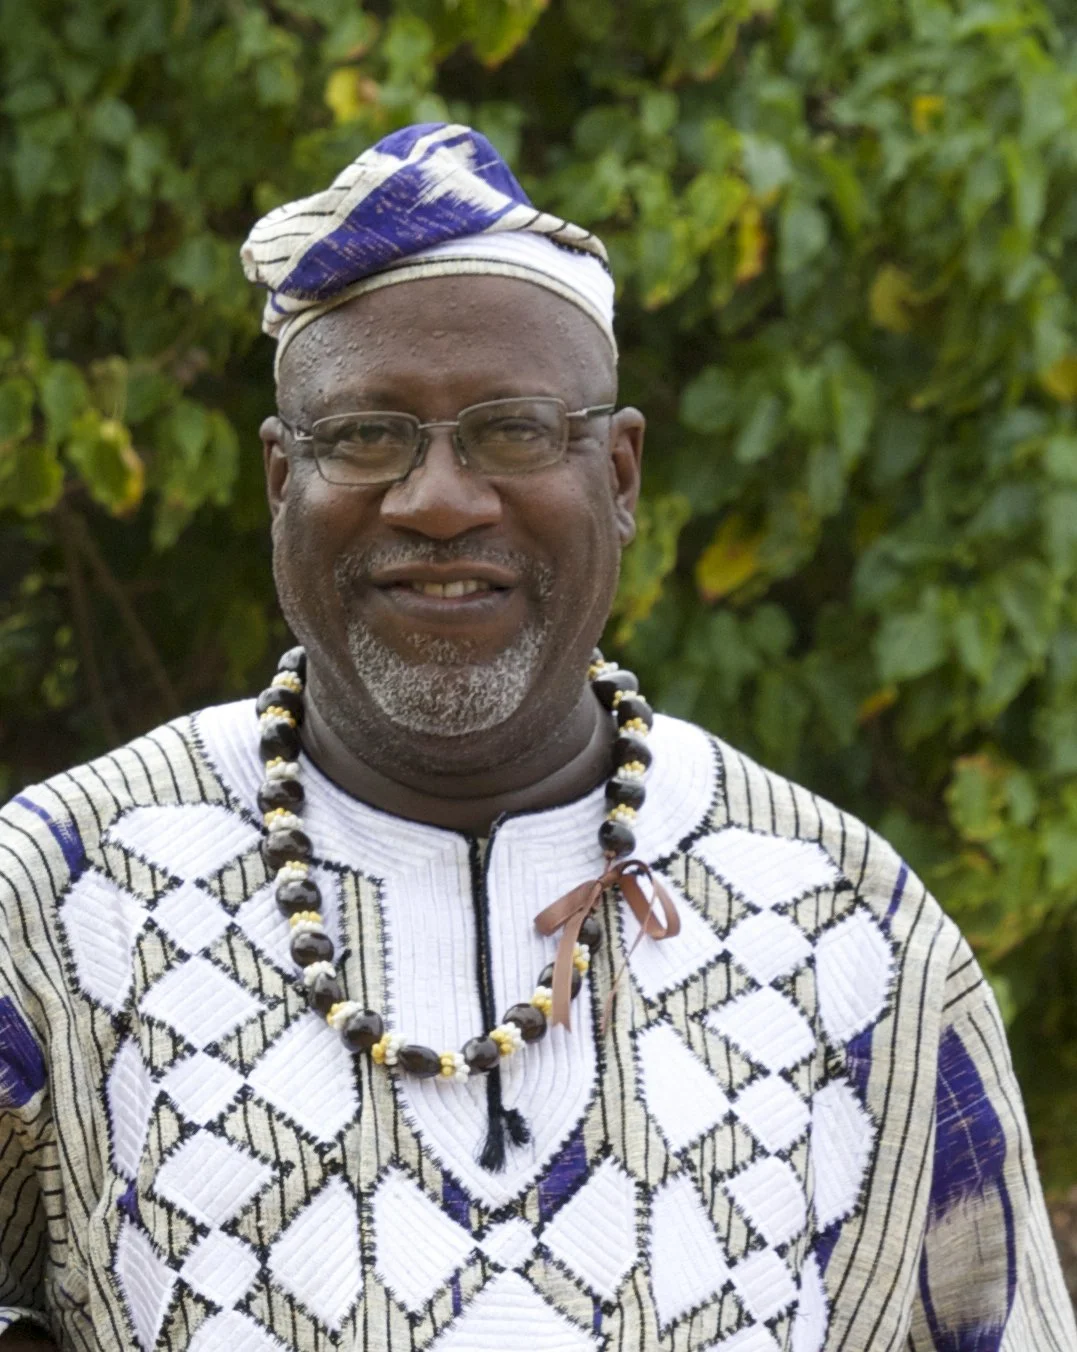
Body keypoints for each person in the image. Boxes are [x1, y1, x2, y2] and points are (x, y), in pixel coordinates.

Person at [0, 122, 1073, 1352]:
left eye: (513, 431)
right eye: (365, 435)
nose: (441, 500)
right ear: (276, 480)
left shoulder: (849, 928)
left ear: (619, 474)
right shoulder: (57, 900)